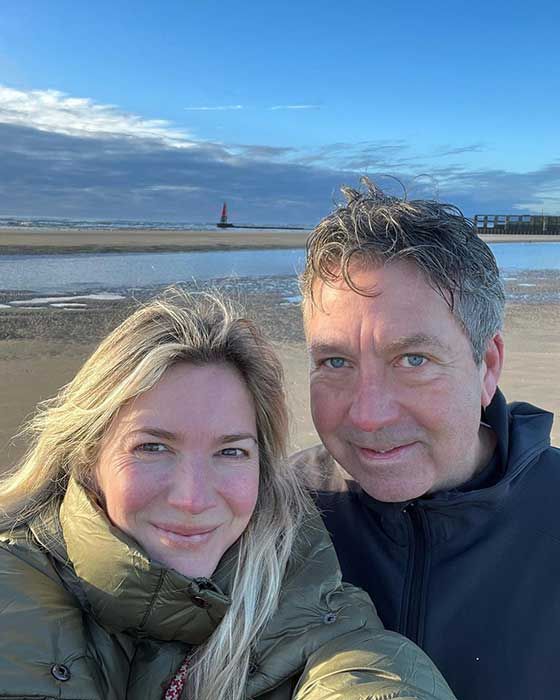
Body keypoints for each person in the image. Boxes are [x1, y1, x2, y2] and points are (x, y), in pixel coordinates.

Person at [0, 290, 456, 700]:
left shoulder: (313, 607)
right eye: (152, 447)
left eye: (231, 451)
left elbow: (368, 676)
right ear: (88, 457)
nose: (193, 498)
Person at [294, 178, 560, 699]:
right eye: (335, 361)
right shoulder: (272, 511)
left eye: (413, 360)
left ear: (486, 367)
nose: (368, 416)